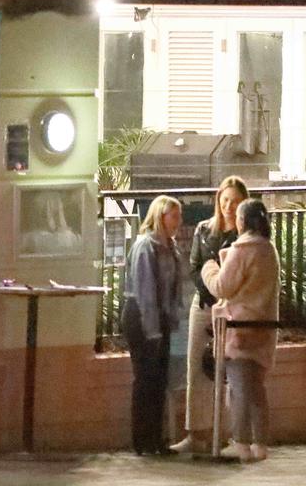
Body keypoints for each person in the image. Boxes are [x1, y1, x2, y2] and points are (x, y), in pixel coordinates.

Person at [201, 198, 280, 463]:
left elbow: (223, 287)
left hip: (238, 328)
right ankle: (260, 443)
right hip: (264, 327)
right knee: (257, 389)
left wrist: (209, 269)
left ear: (242, 220)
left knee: (237, 390)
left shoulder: (242, 249)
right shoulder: (269, 250)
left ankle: (242, 442)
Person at [173, 176, 248, 454]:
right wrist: (211, 291)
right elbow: (194, 266)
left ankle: (229, 434)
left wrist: (224, 291)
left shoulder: (245, 237)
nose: (229, 206)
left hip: (233, 308)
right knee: (197, 368)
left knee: (229, 370)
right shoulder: (204, 229)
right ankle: (196, 433)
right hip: (203, 304)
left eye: (235, 201)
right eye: (225, 200)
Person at [122, 195, 183, 456]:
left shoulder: (169, 246)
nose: (178, 222)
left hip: (159, 317)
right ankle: (143, 440)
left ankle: (157, 439)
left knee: (159, 380)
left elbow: (173, 289)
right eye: (174, 216)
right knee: (145, 378)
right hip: (142, 315)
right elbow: (145, 290)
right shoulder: (146, 246)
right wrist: (153, 329)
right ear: (160, 216)